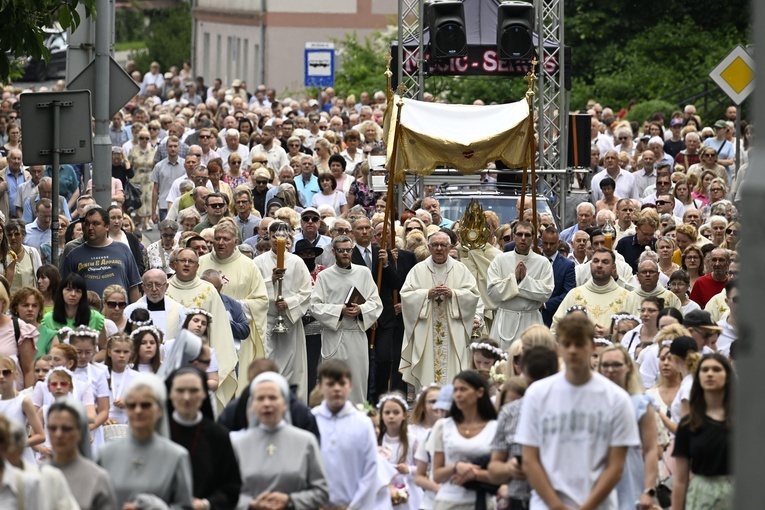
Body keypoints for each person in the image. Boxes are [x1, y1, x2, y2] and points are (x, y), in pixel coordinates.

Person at [515, 315, 640, 510]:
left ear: (592, 346)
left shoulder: (616, 398)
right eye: (567, 344)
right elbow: (530, 460)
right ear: (559, 347)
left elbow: (616, 466)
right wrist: (556, 506)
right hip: (546, 504)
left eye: (579, 344)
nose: (573, 350)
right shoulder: (537, 394)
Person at [96, 373, 194, 508]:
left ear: (159, 410)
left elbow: (185, 506)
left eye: (145, 405)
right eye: (131, 405)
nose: (138, 411)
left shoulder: (177, 456)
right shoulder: (105, 453)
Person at [233, 372, 329, 509]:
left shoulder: (306, 441)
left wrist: (290, 500)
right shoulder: (239, 444)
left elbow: (322, 491)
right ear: (252, 405)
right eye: (260, 398)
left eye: (272, 398)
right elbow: (227, 493)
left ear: (284, 403)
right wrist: (251, 504)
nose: (266, 404)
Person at [400, 231, 482, 390]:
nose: (439, 248)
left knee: (452, 375)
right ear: (428, 247)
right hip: (426, 332)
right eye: (435, 245)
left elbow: (473, 295)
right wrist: (426, 294)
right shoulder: (418, 270)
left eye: (443, 245)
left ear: (450, 246)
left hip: (453, 333)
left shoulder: (461, 269)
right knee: (426, 374)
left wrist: (453, 294)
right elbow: (406, 296)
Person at [310, 235, 383, 405]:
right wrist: (340, 310)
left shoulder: (363, 273)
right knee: (333, 380)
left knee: (357, 380)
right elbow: (314, 306)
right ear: (334, 251)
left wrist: (361, 309)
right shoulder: (324, 276)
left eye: (348, 250)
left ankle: (357, 415)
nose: (345, 254)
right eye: (341, 250)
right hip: (334, 334)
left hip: (356, 333)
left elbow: (376, 303)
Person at [198, 222, 268, 390]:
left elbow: (261, 300)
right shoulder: (200, 262)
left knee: (235, 380)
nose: (221, 242)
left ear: (235, 241)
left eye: (226, 239)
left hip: (236, 334)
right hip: (205, 333)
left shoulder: (248, 266)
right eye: (217, 239)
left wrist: (232, 308)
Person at [167, 247, 239, 409]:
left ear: (197, 267)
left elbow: (220, 330)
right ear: (174, 265)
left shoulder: (208, 291)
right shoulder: (164, 289)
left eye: (191, 261)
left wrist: (218, 366)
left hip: (203, 363)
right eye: (182, 261)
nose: (186, 264)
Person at [488, 345, 559, 510]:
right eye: (531, 382)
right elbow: (494, 469)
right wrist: (508, 468)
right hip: (520, 499)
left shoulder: (569, 410)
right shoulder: (510, 412)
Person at [312, 359, 386, 508]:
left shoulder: (362, 423)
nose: (337, 389)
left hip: (354, 504)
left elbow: (371, 468)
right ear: (320, 387)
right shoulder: (312, 420)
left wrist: (354, 505)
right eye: (330, 384)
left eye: (342, 383)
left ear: (350, 386)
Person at [167, 367, 241, 510]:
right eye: (180, 391)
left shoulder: (219, 436)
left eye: (194, 391)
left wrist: (206, 504)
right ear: (170, 394)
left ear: (204, 394)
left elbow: (232, 488)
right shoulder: (159, 432)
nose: (187, 397)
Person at [253, 221, 312, 398]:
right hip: (268, 317)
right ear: (268, 237)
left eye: (282, 236)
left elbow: (307, 291)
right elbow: (254, 289)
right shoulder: (258, 262)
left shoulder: (297, 262)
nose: (278, 239)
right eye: (274, 236)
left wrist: (290, 302)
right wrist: (270, 280)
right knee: (267, 359)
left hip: (289, 318)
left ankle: (290, 400)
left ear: (288, 239)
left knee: (291, 363)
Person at [598, 345, 658, 510]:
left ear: (628, 367)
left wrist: (649, 489)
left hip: (630, 476)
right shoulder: (591, 402)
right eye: (605, 365)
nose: (610, 370)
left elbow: (651, 448)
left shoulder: (640, 403)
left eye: (616, 365)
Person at [672, 353, 733, 510]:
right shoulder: (688, 424)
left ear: (727, 376)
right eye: (705, 370)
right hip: (700, 496)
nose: (710, 374)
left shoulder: (742, 422)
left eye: (716, 369)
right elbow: (680, 480)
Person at [430, 370, 498, 510]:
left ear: (479, 392)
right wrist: (455, 467)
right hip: (448, 501)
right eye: (455, 390)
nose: (458, 395)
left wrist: (474, 474)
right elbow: (436, 475)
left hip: (482, 502)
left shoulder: (494, 428)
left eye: (463, 389)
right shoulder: (443, 426)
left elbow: (500, 474)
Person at [488, 221, 554, 349]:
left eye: (527, 235)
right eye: (519, 234)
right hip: (506, 319)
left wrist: (524, 280)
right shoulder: (500, 260)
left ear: (533, 238)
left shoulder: (542, 262)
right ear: (513, 237)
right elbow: (492, 292)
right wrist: (515, 280)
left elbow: (546, 293)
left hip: (531, 319)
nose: (523, 238)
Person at [47, 398, 119, 510]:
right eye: (52, 428)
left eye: (66, 429)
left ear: (80, 431)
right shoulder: (37, 475)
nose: (58, 434)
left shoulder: (97, 479)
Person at [60, 207, 142, 303]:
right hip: (86, 315)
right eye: (87, 223)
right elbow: (64, 289)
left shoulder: (123, 250)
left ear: (107, 226)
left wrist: (135, 313)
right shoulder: (73, 255)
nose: (90, 228)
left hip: (118, 311)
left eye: (96, 224)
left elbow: (133, 287)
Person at [552, 248, 630, 337]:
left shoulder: (626, 297)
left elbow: (635, 332)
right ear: (590, 265)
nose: (599, 265)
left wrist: (612, 333)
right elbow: (556, 329)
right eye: (596, 261)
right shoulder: (574, 294)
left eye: (605, 262)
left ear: (613, 267)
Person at [37, 273, 107, 358]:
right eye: (68, 289)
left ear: (83, 295)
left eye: (78, 291)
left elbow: (104, 349)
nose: (73, 294)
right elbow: (42, 350)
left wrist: (89, 361)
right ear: (61, 292)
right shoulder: (48, 319)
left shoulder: (96, 317)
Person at [0, 355, 45, 463]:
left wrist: (18, 444)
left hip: (21, 457)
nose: (1, 376)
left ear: (15, 375)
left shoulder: (23, 401)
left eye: (6, 372)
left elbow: (40, 435)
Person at [123, 269, 185, 342]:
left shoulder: (179, 310)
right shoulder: (131, 310)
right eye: (149, 285)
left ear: (166, 286)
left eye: (158, 285)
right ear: (143, 288)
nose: (154, 289)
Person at [0, 283, 38, 388]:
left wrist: (27, 397)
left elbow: (29, 370)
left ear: (3, 302)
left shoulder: (18, 328)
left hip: (14, 398)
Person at [539, 226, 576, 327]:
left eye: (552, 244)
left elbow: (569, 293)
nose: (548, 247)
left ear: (559, 242)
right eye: (545, 243)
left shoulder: (568, 265)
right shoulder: (534, 261)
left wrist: (545, 305)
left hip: (555, 318)